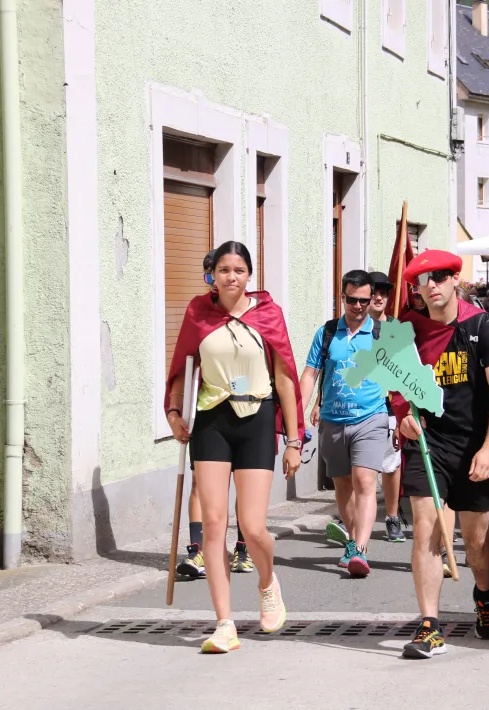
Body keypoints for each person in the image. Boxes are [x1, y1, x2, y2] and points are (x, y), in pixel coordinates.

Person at [165, 241, 304, 654]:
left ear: (249, 275)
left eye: (238, 270)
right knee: (213, 524)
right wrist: (174, 413)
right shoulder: (197, 312)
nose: (231, 277)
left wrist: (294, 440)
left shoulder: (268, 315)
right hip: (211, 420)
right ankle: (224, 623)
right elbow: (181, 366)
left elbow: (285, 379)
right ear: (214, 273)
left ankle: (267, 583)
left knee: (254, 526)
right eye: (223, 269)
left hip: (258, 419)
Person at [393, 249, 489, 660]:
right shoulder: (405, 330)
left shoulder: (482, 326)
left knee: (476, 541)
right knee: (428, 528)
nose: (433, 285)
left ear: (455, 280)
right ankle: (430, 626)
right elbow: (396, 390)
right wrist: (403, 418)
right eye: (424, 280)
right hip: (430, 444)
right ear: (417, 289)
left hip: (475, 444)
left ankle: (484, 596)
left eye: (441, 276)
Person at [299, 271, 389, 577]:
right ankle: (351, 542)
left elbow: (400, 376)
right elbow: (310, 374)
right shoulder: (326, 333)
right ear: (343, 297)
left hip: (370, 417)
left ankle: (360, 550)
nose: (359, 306)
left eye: (365, 301)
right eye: (353, 300)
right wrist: (298, 412)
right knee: (343, 486)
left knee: (365, 482)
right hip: (333, 422)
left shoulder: (381, 333)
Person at [176, 250, 255, 581]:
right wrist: (178, 408)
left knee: (242, 483)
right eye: (211, 276)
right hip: (206, 411)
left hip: (245, 408)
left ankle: (243, 546)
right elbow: (185, 360)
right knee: (200, 483)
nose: (217, 282)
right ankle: (198, 552)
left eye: (224, 273)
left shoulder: (250, 314)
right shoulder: (200, 313)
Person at [368, 271, 407, 542]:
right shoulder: (353, 327)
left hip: (391, 407)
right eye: (374, 292)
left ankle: (392, 517)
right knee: (361, 468)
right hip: (359, 407)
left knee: (391, 466)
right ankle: (360, 523)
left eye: (384, 292)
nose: (379, 297)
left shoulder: (397, 330)